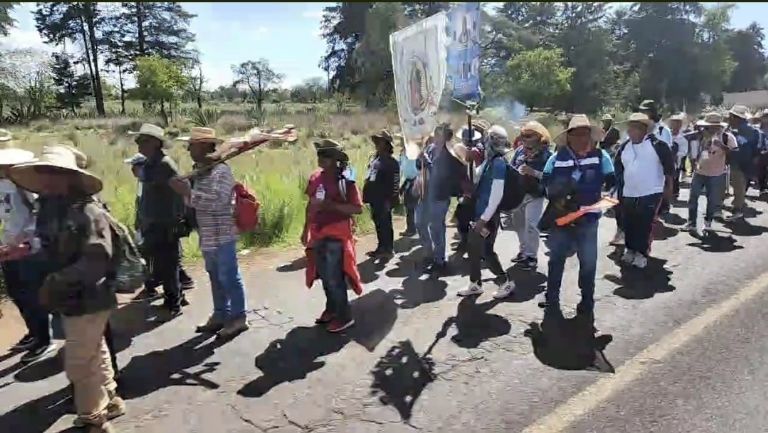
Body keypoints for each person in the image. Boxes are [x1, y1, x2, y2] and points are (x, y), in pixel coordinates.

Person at [9, 146, 125, 433]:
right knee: (94, 350)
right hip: (70, 297)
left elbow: (96, 259)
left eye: (55, 173)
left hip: (90, 297)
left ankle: (92, 418)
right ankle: (109, 399)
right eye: (43, 171)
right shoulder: (51, 208)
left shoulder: (88, 212)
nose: (47, 179)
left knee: (78, 363)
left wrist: (57, 281)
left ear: (70, 178)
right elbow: (46, 243)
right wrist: (24, 250)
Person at [169, 127, 249, 339]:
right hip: (207, 234)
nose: (188, 149)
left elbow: (218, 202)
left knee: (229, 277)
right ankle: (221, 314)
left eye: (192, 145)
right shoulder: (200, 171)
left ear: (205, 146)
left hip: (222, 233)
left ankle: (239, 317)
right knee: (215, 277)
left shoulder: (222, 172)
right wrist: (185, 191)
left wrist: (188, 192)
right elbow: (194, 203)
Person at [539, 115, 615, 315]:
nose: (583, 138)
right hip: (562, 221)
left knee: (588, 262)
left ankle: (587, 300)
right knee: (556, 260)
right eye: (578, 134)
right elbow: (545, 185)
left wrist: (604, 202)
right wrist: (558, 194)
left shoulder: (602, 157)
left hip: (588, 220)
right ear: (569, 137)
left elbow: (612, 184)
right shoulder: (555, 159)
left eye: (586, 134)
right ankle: (551, 299)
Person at [301, 139, 364, 333]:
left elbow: (357, 208)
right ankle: (331, 309)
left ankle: (344, 316)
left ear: (334, 159)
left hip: (337, 234)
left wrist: (332, 206)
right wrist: (305, 229)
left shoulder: (345, 180)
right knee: (323, 275)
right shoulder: (315, 178)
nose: (320, 158)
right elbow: (310, 204)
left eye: (324, 155)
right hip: (318, 233)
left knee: (334, 276)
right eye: (319, 154)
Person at [0, 147, 55, 365]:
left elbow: (39, 214)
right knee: (16, 292)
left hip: (29, 248)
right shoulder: (4, 184)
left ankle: (44, 339)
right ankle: (33, 332)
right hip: (9, 245)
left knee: (31, 294)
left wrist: (25, 241)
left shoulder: (27, 187)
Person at [129, 123, 188, 317]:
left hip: (164, 224)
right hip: (154, 222)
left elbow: (181, 191)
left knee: (168, 265)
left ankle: (174, 302)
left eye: (142, 141)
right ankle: (176, 296)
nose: (138, 144)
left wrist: (177, 218)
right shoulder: (152, 163)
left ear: (155, 143)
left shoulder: (163, 165)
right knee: (161, 264)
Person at [124, 153, 194, 298]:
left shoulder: (156, 182)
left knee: (161, 258)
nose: (132, 170)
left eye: (135, 167)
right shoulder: (143, 182)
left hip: (160, 225)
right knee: (164, 258)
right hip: (150, 225)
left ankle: (165, 289)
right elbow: (141, 205)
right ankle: (175, 285)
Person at [457, 125, 515, 298]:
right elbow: (476, 177)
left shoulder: (498, 163)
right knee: (474, 248)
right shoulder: (489, 162)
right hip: (480, 213)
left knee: (485, 250)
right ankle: (475, 283)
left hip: (488, 216)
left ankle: (506, 282)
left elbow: (496, 195)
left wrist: (484, 219)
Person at [613, 113, 675, 269]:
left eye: (635, 128)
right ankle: (630, 249)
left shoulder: (658, 145)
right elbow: (618, 169)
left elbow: (669, 169)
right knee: (629, 223)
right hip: (629, 193)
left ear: (644, 130)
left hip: (650, 192)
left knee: (644, 224)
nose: (631, 132)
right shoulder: (624, 147)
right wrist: (617, 189)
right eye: (630, 128)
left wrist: (669, 189)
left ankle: (642, 253)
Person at [415, 123, 467, 274]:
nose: (436, 135)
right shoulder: (430, 149)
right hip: (425, 193)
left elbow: (442, 174)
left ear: (446, 137)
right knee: (419, 223)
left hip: (440, 196)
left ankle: (439, 260)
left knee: (436, 227)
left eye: (439, 133)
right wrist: (420, 158)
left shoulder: (450, 154)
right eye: (436, 132)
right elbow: (420, 166)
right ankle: (428, 252)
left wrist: (427, 161)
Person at [509, 121, 552, 271]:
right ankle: (523, 251)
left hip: (535, 194)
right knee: (519, 224)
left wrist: (533, 172)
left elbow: (551, 176)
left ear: (538, 137)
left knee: (532, 225)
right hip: (518, 193)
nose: (524, 139)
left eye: (528, 136)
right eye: (523, 135)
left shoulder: (547, 154)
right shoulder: (519, 151)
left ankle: (531, 256)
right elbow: (512, 166)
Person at [685, 112, 738, 232]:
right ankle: (691, 223)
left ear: (720, 126)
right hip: (699, 172)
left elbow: (735, 153)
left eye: (715, 126)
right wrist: (694, 160)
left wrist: (722, 146)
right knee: (693, 198)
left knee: (712, 200)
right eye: (709, 126)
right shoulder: (699, 136)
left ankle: (708, 222)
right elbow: (692, 150)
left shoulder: (727, 137)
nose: (712, 128)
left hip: (717, 174)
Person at [362, 129, 400, 259]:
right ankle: (381, 247)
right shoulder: (375, 159)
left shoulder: (391, 162)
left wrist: (393, 199)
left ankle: (388, 249)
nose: (377, 143)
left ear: (386, 144)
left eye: (380, 141)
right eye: (376, 141)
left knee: (385, 224)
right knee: (378, 223)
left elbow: (395, 182)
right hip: (374, 198)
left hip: (385, 199)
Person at [453, 124, 484, 254]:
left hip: (475, 190)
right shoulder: (470, 150)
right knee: (462, 218)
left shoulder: (477, 151)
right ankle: (464, 241)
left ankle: (479, 248)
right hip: (465, 189)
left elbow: (474, 168)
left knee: (474, 219)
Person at [725, 105, 760, 221]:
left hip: (739, 163)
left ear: (737, 118)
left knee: (738, 186)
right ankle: (737, 205)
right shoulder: (753, 131)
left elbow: (739, 147)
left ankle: (737, 210)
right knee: (739, 186)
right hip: (745, 162)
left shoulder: (739, 131)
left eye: (731, 117)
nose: (729, 119)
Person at [397, 134, 419, 236]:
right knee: (408, 205)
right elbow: (400, 168)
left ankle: (414, 228)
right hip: (408, 180)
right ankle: (411, 228)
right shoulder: (402, 153)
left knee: (413, 205)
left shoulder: (414, 152)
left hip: (416, 180)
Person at [669, 113, 689, 198]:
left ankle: (674, 193)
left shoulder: (682, 139)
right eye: (674, 123)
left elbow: (684, 152)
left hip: (675, 162)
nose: (675, 125)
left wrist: (675, 154)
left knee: (675, 178)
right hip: (665, 160)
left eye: (677, 123)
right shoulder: (666, 135)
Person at [757, 110, 768, 193]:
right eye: (765, 116)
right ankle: (762, 187)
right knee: (761, 170)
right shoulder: (758, 128)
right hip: (761, 153)